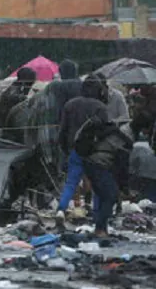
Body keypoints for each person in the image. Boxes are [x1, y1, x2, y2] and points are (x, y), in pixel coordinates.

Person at [56, 75, 111, 233]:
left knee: (71, 183)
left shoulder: (70, 105)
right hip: (94, 152)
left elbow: (63, 131)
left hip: (75, 150)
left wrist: (66, 150)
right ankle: (96, 215)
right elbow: (105, 132)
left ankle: (61, 210)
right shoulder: (100, 107)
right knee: (97, 185)